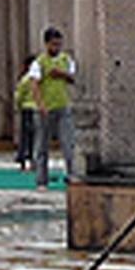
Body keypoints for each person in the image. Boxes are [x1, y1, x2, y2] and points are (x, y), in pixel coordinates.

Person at [30, 27, 77, 188]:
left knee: (68, 144)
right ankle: (41, 180)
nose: (56, 48)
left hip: (63, 106)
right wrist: (40, 105)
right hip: (46, 108)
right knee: (42, 145)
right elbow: (34, 85)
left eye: (59, 44)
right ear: (46, 44)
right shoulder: (39, 63)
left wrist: (61, 74)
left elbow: (72, 78)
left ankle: (73, 176)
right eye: (53, 45)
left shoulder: (66, 60)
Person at [13, 55, 39, 170]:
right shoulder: (36, 79)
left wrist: (18, 106)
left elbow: (18, 95)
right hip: (35, 109)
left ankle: (24, 158)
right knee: (35, 135)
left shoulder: (25, 79)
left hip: (27, 109)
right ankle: (31, 159)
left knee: (26, 135)